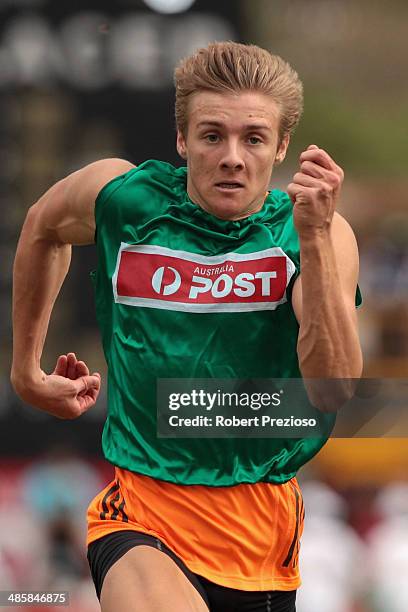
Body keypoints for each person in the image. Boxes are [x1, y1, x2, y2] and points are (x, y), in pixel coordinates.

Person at [11, 41, 363, 612]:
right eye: (211, 135)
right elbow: (41, 227)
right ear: (181, 140)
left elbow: (331, 387)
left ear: (280, 148)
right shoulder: (123, 199)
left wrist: (318, 240)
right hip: (140, 514)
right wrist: (26, 370)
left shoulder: (311, 238)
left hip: (259, 534)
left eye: (252, 138)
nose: (231, 156)